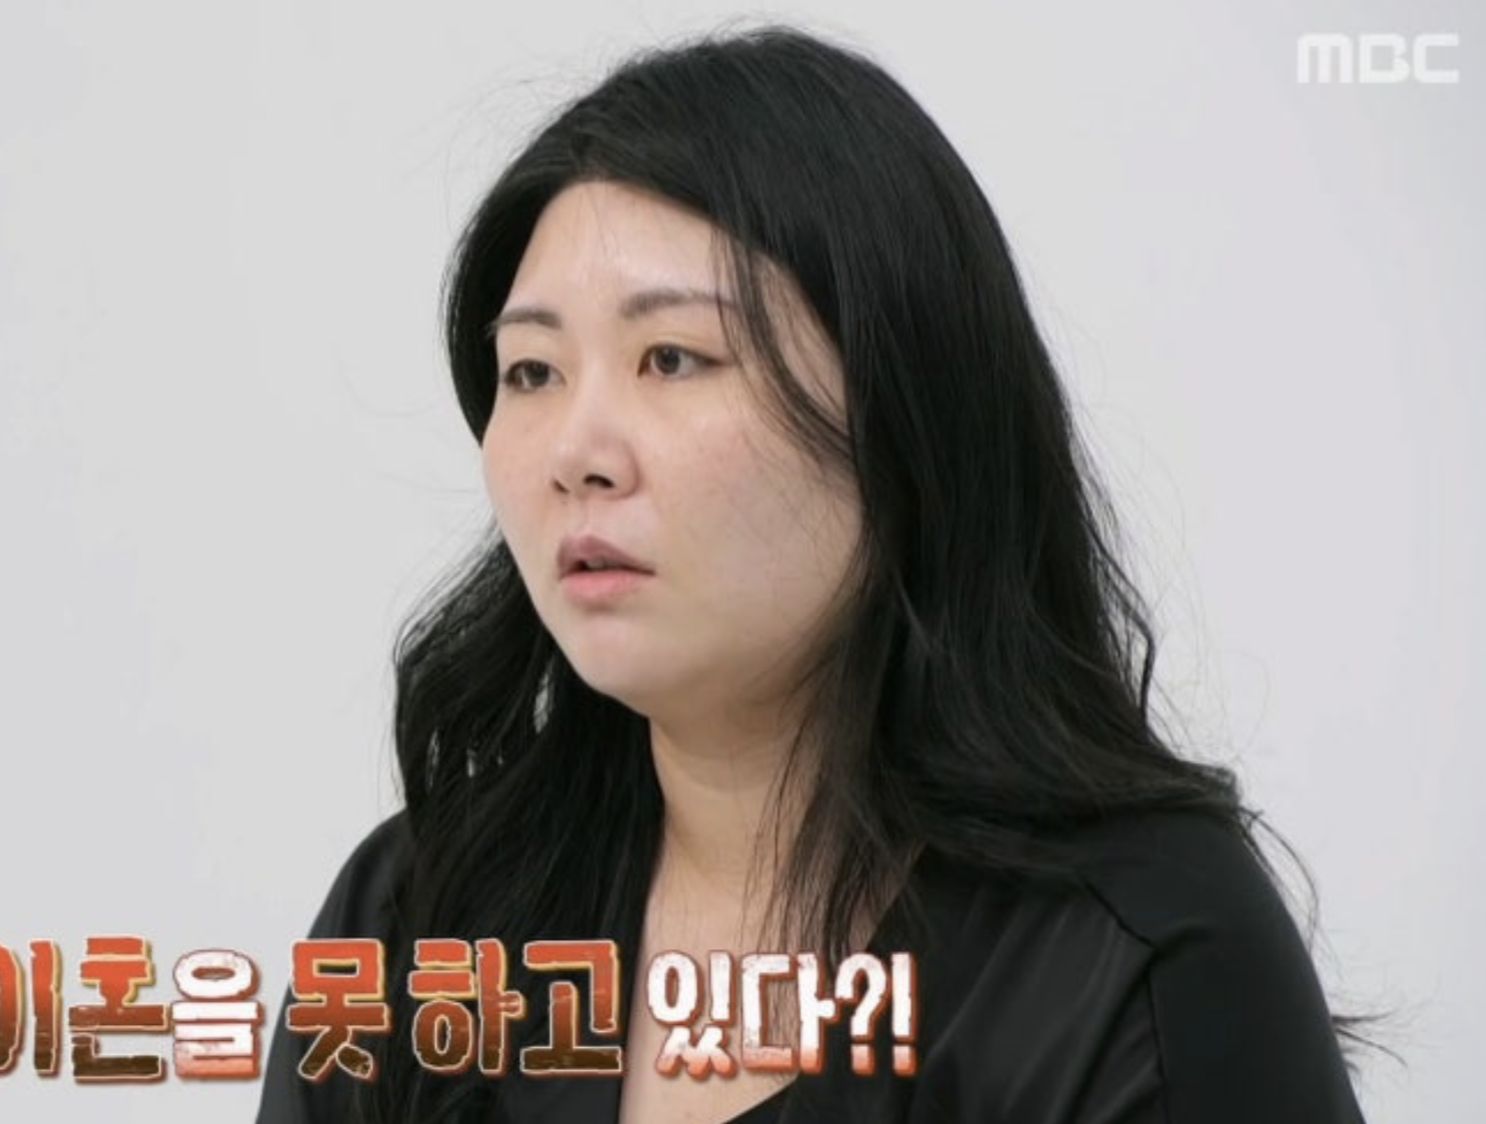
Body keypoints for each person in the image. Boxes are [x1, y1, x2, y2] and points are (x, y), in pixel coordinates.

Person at [254, 25, 1368, 1124]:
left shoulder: (1131, 956)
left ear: (905, 416)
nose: (575, 453)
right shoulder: (418, 915)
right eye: (532, 371)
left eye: (672, 358)